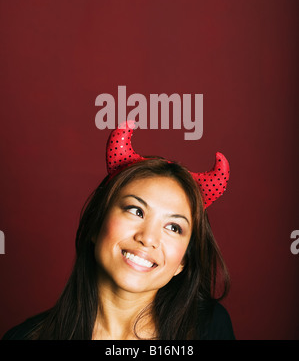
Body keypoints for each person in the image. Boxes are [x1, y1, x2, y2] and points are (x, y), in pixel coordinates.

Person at [2, 121, 235, 340]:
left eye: (173, 227)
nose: (148, 238)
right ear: (96, 223)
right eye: (135, 211)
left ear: (183, 261)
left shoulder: (209, 328)